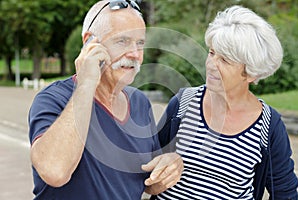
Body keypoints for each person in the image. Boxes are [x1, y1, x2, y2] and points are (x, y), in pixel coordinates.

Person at [28, 0, 183, 199]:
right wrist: (86, 84)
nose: (135, 54)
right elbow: (54, 172)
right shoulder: (53, 98)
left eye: (140, 43)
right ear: (89, 43)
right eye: (122, 41)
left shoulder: (140, 103)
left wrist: (169, 169)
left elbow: (146, 182)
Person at [153, 5, 298, 200]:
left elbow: (285, 194)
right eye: (212, 53)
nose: (211, 65)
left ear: (251, 72)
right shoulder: (184, 103)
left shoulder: (268, 126)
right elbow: (147, 165)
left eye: (225, 60)